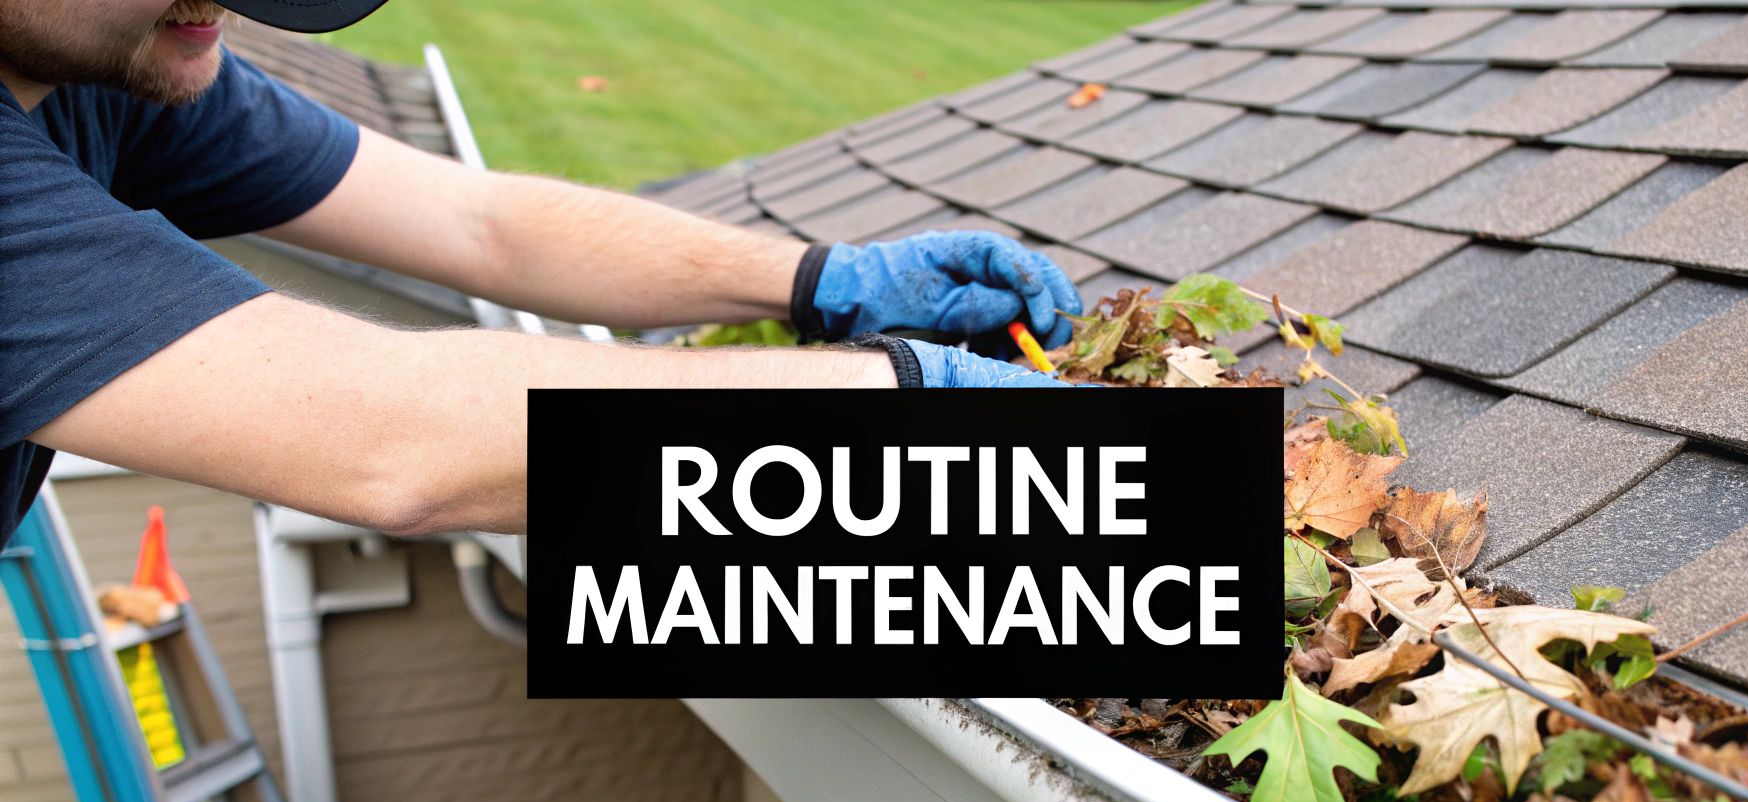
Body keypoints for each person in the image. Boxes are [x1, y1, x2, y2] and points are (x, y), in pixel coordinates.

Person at [0, 0, 1084, 545]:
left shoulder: (124, 57)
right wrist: (902, 405)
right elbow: (392, 443)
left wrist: (821, 278)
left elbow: (478, 223)